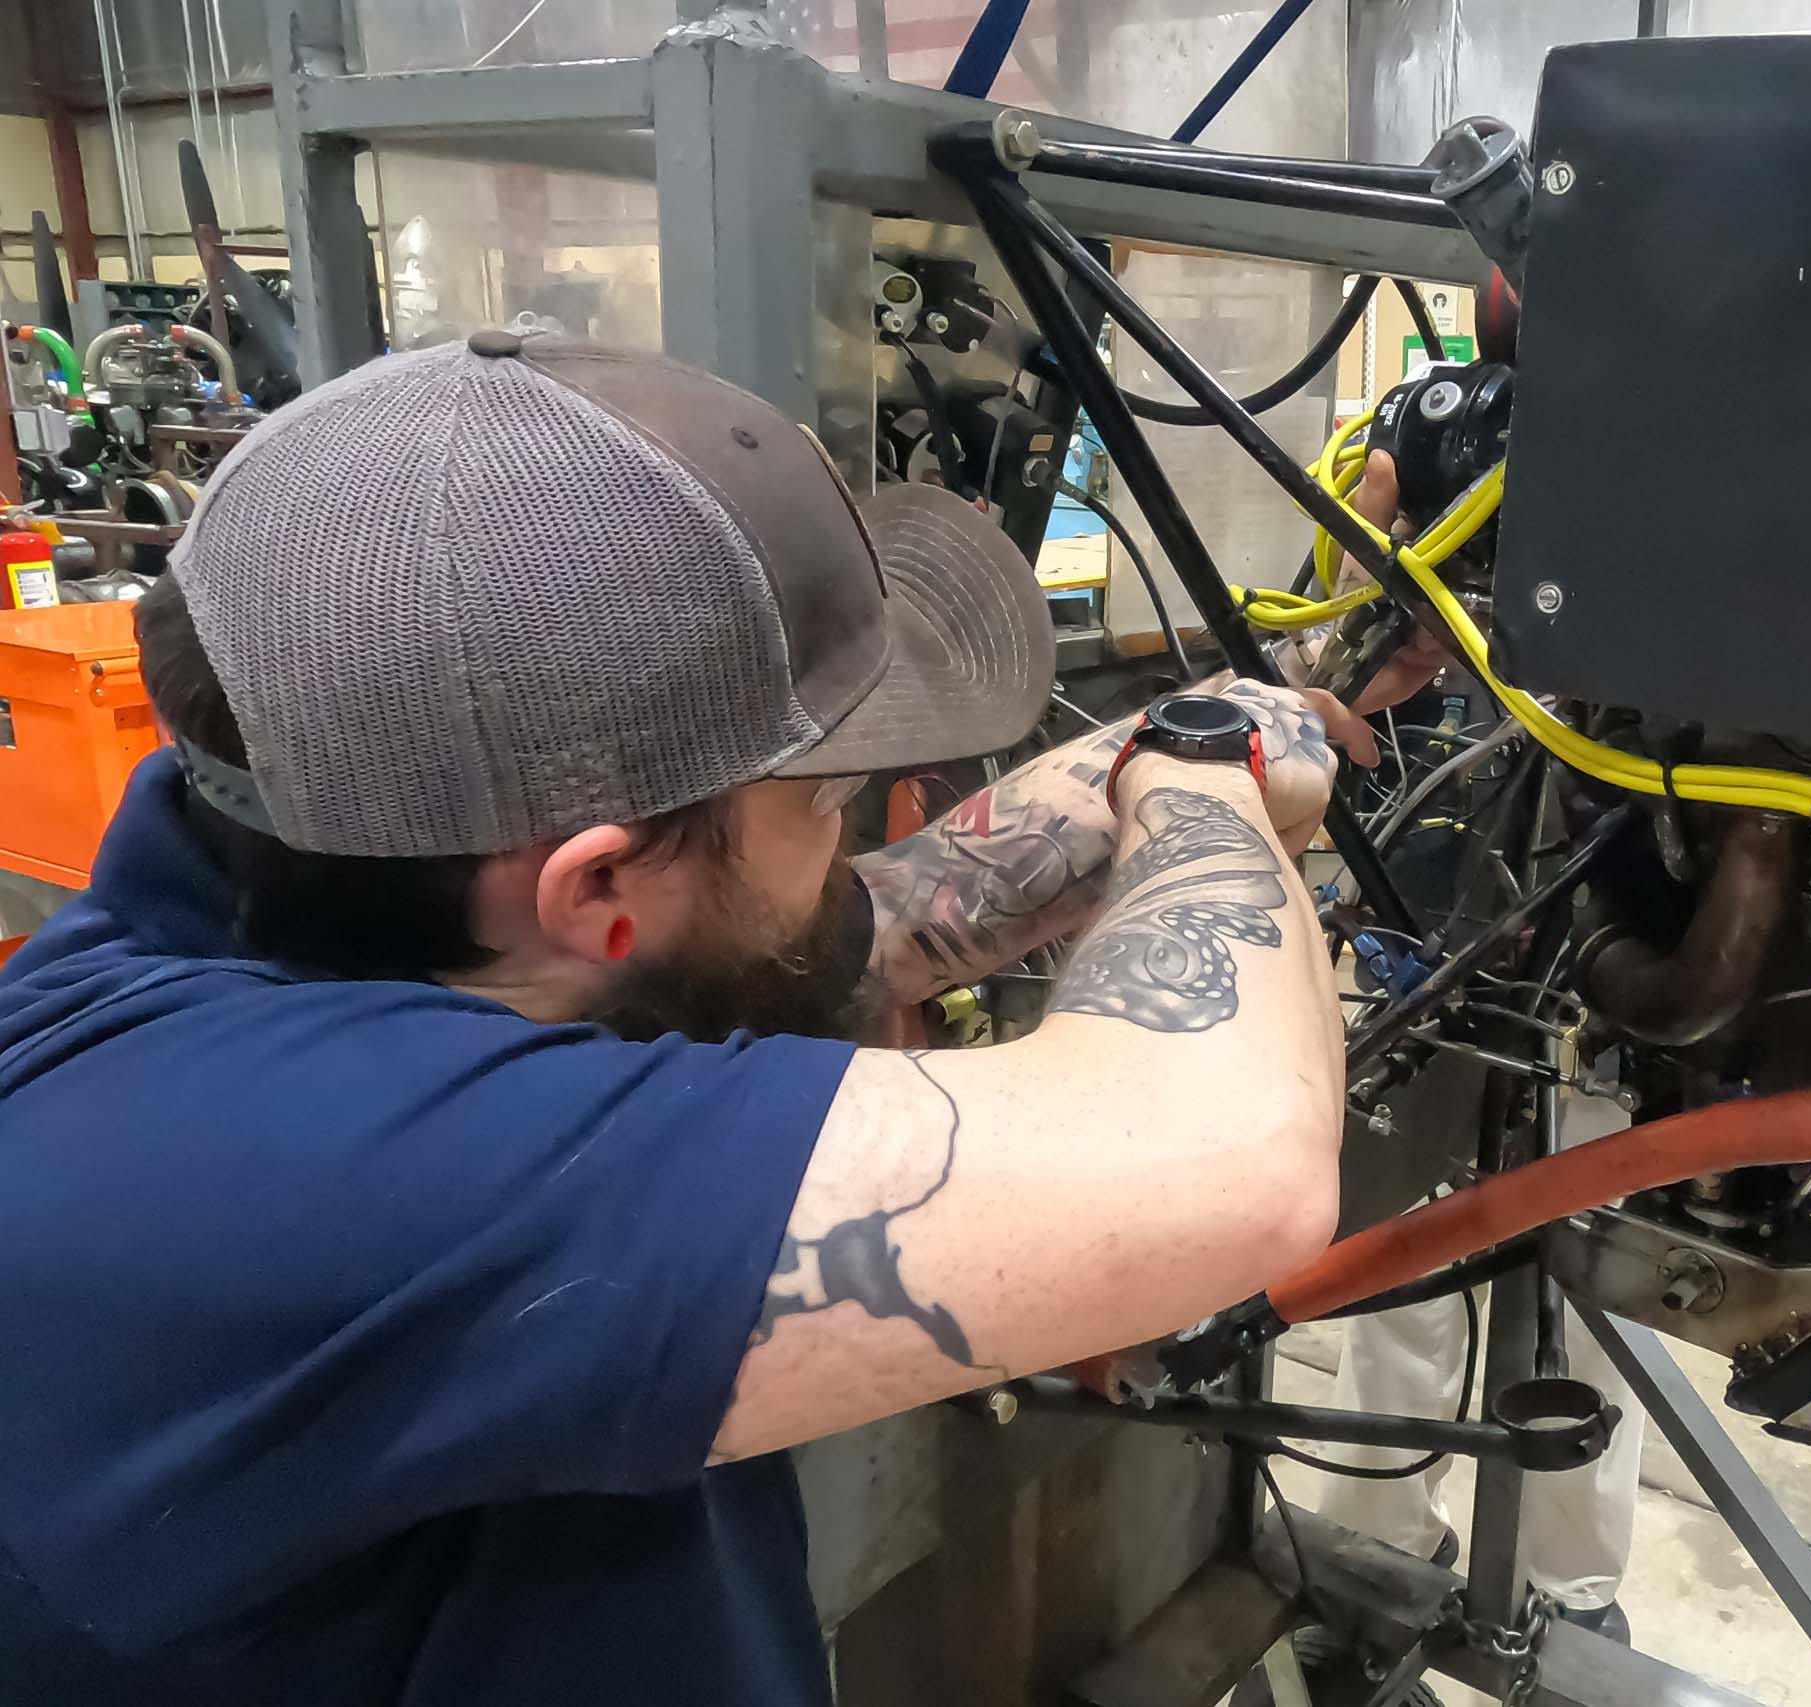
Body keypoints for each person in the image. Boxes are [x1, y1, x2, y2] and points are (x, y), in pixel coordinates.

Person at [0, 332, 1385, 1704]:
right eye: (822, 798)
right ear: (594, 880)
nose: (844, 832)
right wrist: (1200, 787)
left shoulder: (300, 895)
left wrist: (1148, 756)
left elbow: (804, 932)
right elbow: (1226, 1164)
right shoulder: (269, 1178)